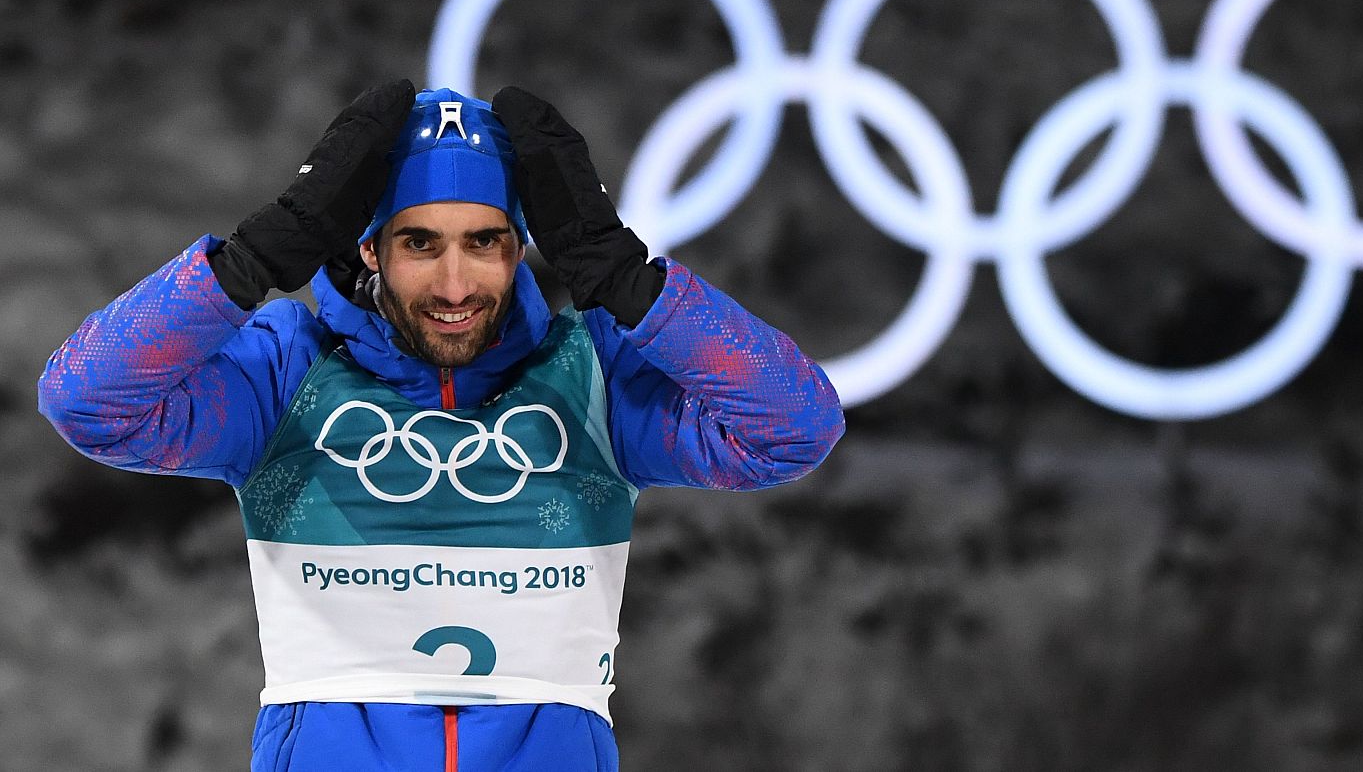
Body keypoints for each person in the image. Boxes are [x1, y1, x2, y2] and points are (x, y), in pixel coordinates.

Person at [38, 81, 844, 771]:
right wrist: (248, 262)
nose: (455, 283)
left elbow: (795, 425)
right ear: (371, 248)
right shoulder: (287, 370)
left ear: (520, 247)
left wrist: (631, 281)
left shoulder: (591, 371)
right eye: (420, 243)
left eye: (484, 242)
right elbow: (86, 399)